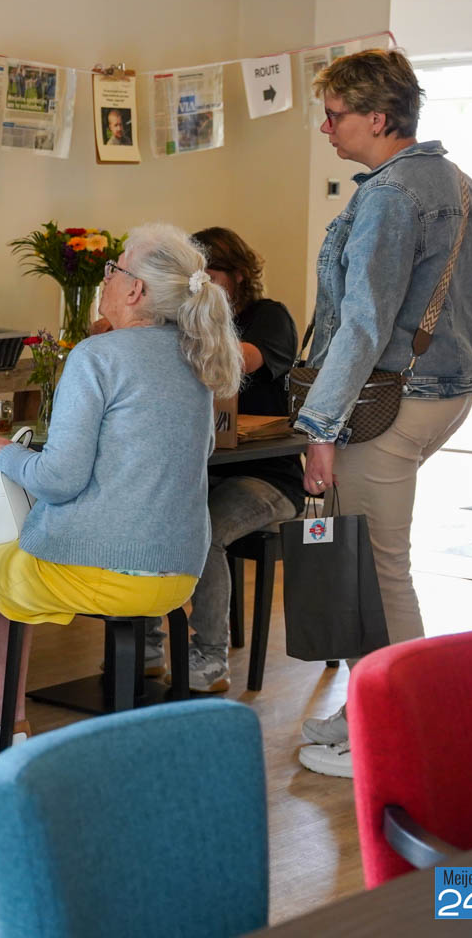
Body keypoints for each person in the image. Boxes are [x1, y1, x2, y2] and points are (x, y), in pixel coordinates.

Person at [0, 224, 242, 781]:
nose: (106, 278)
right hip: (177, 575)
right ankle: (5, 722)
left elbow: (59, 479)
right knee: (5, 566)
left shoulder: (97, 355)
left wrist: (7, 455)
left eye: (114, 269)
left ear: (135, 291)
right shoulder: (196, 358)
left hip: (109, 570)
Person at [293, 48, 472, 779]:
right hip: (444, 393)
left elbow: (364, 324)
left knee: (379, 573)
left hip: (388, 403)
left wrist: (321, 426)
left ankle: (401, 737)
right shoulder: (458, 182)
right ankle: (366, 711)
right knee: (372, 565)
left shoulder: (390, 194)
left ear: (378, 118)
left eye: (335, 114)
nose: (326, 128)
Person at [169, 227, 304, 692]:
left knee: (203, 531)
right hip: (206, 471)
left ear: (239, 275)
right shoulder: (186, 320)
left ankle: (210, 656)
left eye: (211, 274)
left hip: (270, 476)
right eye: (195, 276)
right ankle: (145, 647)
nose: (201, 284)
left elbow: (239, 361)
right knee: (151, 515)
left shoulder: (269, 317)